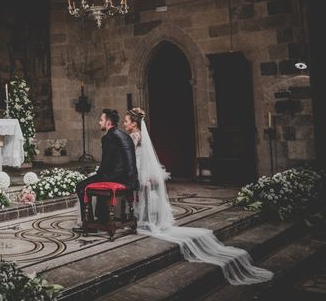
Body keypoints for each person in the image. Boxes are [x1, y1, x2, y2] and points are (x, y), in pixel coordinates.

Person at [122, 107, 274, 285]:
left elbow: (129, 158)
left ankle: (143, 221)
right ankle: (147, 220)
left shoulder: (133, 136)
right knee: (146, 198)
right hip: (145, 170)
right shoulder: (141, 135)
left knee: (141, 196)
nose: (124, 124)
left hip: (139, 170)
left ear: (134, 122)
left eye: (126, 121)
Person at [74, 109, 139, 230]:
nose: (99, 122)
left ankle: (88, 223)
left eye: (101, 120)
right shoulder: (125, 135)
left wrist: (98, 174)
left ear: (108, 123)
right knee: (97, 178)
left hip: (117, 177)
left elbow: (106, 164)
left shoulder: (108, 137)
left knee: (81, 186)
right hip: (130, 178)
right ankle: (102, 218)